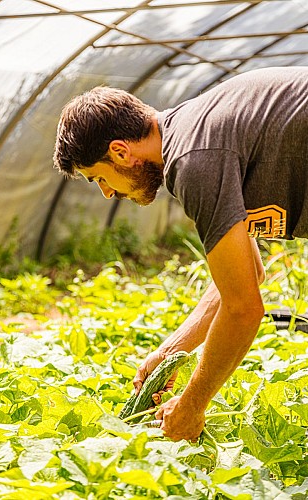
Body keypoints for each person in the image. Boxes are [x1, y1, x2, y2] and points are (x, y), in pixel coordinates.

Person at [53, 66, 308, 442]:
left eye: (100, 178)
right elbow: (245, 275)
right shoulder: (194, 135)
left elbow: (244, 307)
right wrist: (172, 350)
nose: (107, 193)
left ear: (120, 152)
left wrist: (192, 404)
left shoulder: (194, 159)